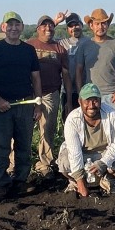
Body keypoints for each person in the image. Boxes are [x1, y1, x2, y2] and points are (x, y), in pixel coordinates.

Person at [0, 11, 42, 199]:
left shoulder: (28, 50)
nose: (13, 28)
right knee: (0, 146)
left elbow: (36, 78)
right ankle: (0, 183)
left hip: (25, 104)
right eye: (10, 25)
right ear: (3, 27)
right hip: (1, 107)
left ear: (22, 27)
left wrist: (38, 103)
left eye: (17, 24)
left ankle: (20, 180)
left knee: (24, 145)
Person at [57, 83, 115, 197]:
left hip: (103, 153)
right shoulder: (72, 119)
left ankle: (108, 179)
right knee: (65, 161)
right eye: (87, 101)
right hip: (82, 154)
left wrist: (103, 163)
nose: (91, 105)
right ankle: (74, 182)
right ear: (80, 102)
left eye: (95, 101)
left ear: (100, 101)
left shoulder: (113, 115)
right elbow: (74, 152)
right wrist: (81, 182)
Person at [26, 15, 73, 178]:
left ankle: (45, 164)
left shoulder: (60, 49)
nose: (48, 29)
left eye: (51, 26)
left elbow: (66, 76)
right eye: (44, 26)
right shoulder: (29, 45)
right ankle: (16, 165)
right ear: (37, 29)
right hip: (28, 94)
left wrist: (67, 99)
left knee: (47, 130)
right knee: (22, 130)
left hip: (50, 94)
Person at [75, 8, 115, 115]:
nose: (100, 27)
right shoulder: (84, 46)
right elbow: (78, 71)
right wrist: (81, 93)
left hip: (113, 96)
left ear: (108, 25)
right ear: (91, 26)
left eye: (104, 23)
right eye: (97, 24)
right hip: (92, 96)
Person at [58, 12, 89, 119]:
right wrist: (57, 21)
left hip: (86, 90)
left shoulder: (90, 42)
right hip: (68, 92)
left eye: (76, 25)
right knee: (68, 121)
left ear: (82, 25)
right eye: (70, 26)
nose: (74, 28)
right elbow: (45, 37)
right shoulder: (62, 43)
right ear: (67, 29)